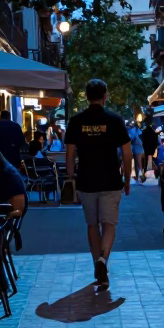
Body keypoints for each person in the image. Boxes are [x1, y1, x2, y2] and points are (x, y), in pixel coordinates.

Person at [64, 78, 132, 288]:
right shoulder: (115, 119)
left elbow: (69, 153)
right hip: (111, 180)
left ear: (86, 96)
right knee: (109, 224)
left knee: (92, 225)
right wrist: (127, 179)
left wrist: (70, 178)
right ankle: (103, 258)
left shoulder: (76, 121)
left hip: (86, 181)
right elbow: (127, 153)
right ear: (105, 96)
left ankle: (97, 264)